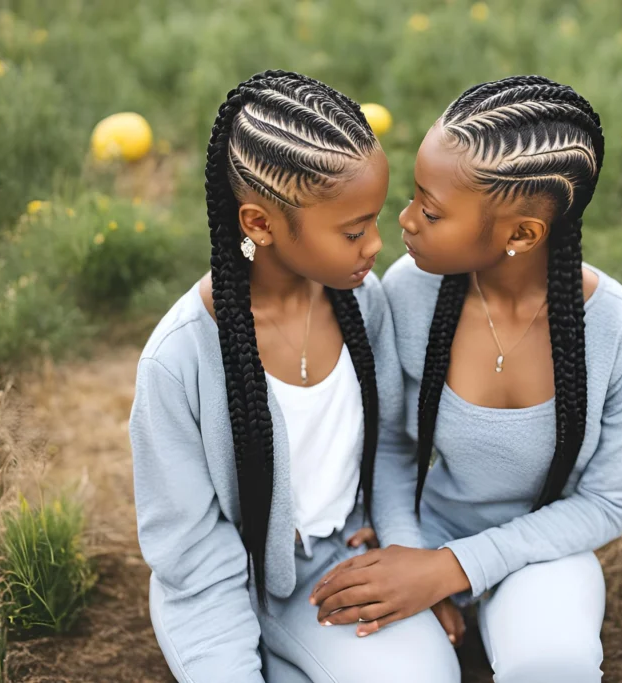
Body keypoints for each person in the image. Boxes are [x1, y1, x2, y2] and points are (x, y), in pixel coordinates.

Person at [309, 75, 622, 683]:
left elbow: (604, 505)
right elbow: (393, 444)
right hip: (425, 529)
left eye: (431, 208)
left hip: (544, 550)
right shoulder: (409, 293)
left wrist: (451, 570)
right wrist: (411, 553)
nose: (405, 221)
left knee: (554, 664)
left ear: (522, 234)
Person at [129, 70, 458, 683]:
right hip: (226, 580)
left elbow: (390, 445)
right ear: (260, 224)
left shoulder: (362, 302)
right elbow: (194, 555)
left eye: (374, 221)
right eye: (354, 231)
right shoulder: (178, 361)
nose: (376, 246)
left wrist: (404, 551)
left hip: (338, 563)